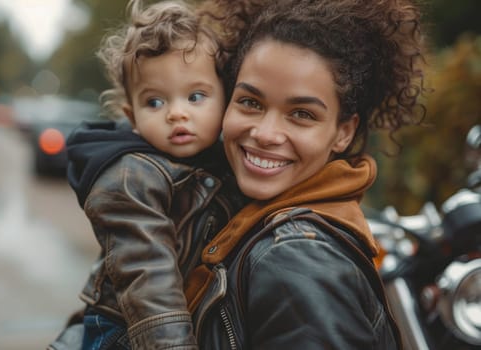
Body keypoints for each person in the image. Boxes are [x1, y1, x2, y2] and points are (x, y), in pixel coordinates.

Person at [182, 0, 428, 348]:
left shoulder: (295, 258)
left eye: (301, 114)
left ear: (343, 132)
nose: (266, 133)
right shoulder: (230, 210)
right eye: (250, 102)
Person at [48, 0, 245, 349]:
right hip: (124, 332)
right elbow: (148, 280)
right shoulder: (129, 176)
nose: (176, 114)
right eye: (155, 102)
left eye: (196, 96)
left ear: (225, 100)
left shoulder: (218, 164)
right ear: (132, 115)